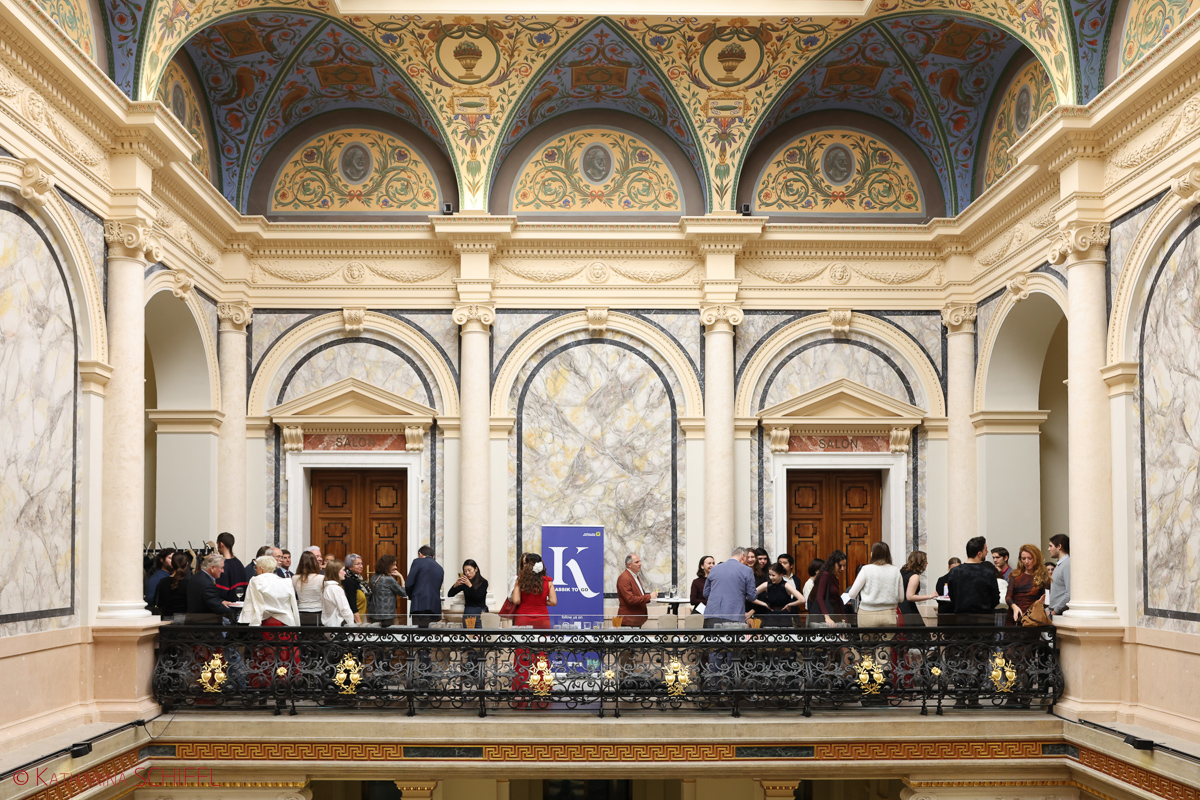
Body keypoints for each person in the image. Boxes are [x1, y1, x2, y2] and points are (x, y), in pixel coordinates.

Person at [846, 542, 904, 628]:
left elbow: (852, 594)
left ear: (872, 554)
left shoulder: (866, 569)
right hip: (889, 614)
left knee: (867, 637)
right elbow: (901, 598)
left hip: (867, 614)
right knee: (887, 637)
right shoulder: (896, 570)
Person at [945, 536, 1001, 624]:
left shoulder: (954, 572)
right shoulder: (988, 573)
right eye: (985, 549)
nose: (987, 552)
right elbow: (995, 598)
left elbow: (952, 595)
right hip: (984, 620)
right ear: (979, 554)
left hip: (961, 619)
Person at [702, 546, 758, 627]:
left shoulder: (715, 569)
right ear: (743, 556)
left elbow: (706, 593)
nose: (746, 563)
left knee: (713, 635)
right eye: (746, 560)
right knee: (731, 635)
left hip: (711, 614)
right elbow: (752, 596)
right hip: (734, 614)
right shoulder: (747, 570)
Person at [238, 555, 299, 627]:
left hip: (265, 622)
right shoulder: (286, 582)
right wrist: (297, 624)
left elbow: (253, 603)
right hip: (286, 622)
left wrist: (248, 621)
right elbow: (293, 604)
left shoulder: (256, 581)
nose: (256, 570)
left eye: (256, 568)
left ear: (261, 568)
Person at [1006, 544, 1050, 625]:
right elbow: (1008, 597)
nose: (1026, 562)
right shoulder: (1015, 574)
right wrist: (1014, 607)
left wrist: (1040, 603)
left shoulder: (1044, 577)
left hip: (1032, 618)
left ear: (1036, 558)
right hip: (1014, 616)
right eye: (1023, 559)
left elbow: (1047, 601)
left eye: (1030, 558)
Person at [511, 553, 556, 628]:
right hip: (542, 618)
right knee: (542, 636)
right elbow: (553, 602)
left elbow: (516, 601)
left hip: (523, 618)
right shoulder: (548, 582)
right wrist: (540, 601)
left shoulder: (520, 581)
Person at [753, 562, 805, 627]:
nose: (771, 577)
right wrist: (763, 604)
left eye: (773, 575)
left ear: (781, 575)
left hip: (784, 618)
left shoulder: (786, 585)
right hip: (770, 617)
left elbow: (802, 600)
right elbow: (749, 596)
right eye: (769, 575)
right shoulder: (767, 584)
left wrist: (789, 604)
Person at [186, 553, 233, 621]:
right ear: (213, 568)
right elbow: (216, 606)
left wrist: (221, 602)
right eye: (221, 568)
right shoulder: (207, 584)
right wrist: (234, 613)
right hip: (204, 623)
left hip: (194, 620)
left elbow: (210, 599)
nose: (222, 571)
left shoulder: (196, 577)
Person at [406, 545, 444, 628]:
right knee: (429, 633)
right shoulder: (440, 568)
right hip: (435, 607)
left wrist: (412, 596)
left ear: (420, 554)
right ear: (433, 556)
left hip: (420, 605)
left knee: (420, 633)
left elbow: (409, 584)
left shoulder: (418, 561)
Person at [616, 553, 657, 627]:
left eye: (640, 561)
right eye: (636, 562)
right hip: (628, 623)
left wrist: (650, 598)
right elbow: (630, 599)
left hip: (634, 621)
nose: (640, 564)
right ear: (629, 565)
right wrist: (649, 597)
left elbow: (639, 596)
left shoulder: (635, 576)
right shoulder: (624, 578)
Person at [808, 550, 848, 626]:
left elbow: (837, 599)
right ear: (834, 563)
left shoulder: (835, 578)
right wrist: (827, 617)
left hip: (833, 613)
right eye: (840, 565)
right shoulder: (825, 575)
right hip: (824, 615)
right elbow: (820, 597)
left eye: (844, 565)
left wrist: (844, 617)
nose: (842, 568)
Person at [366, 554, 407, 627]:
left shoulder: (374, 577)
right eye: (393, 565)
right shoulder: (389, 579)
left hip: (373, 614)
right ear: (387, 566)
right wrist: (401, 577)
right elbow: (404, 593)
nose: (396, 567)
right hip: (387, 616)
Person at [899, 550, 937, 627]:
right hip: (907, 609)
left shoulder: (902, 571)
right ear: (920, 563)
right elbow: (910, 597)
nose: (927, 563)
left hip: (900, 607)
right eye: (925, 561)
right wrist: (930, 596)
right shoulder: (914, 576)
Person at [448, 559, 488, 627]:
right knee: (467, 632)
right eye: (465, 571)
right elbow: (450, 594)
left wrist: (470, 585)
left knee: (480, 632)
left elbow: (478, 598)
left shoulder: (483, 582)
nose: (467, 573)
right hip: (468, 612)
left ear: (476, 569)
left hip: (480, 612)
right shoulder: (465, 582)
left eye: (469, 570)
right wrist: (456, 585)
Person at [152, 551, 192, 618]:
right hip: (183, 619)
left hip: (166, 618)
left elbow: (158, 603)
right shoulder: (189, 583)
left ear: (172, 564)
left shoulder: (163, 582)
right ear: (187, 565)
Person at [292, 551, 324, 625]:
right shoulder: (321, 578)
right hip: (318, 610)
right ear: (314, 563)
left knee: (303, 632)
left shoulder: (294, 578)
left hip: (301, 610)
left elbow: (293, 596)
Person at [214, 532, 248, 602]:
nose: (217, 548)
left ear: (221, 544)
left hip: (227, 605)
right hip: (240, 603)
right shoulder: (239, 563)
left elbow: (221, 591)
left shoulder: (223, 565)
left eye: (217, 544)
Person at [321, 558, 355, 627]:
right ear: (336, 572)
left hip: (329, 625)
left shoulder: (327, 587)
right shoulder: (336, 589)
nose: (345, 573)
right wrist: (352, 625)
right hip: (337, 625)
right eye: (343, 570)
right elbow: (345, 610)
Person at [1047, 534, 1070, 617]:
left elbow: (1069, 594)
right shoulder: (1060, 564)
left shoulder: (1067, 564)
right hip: (1054, 612)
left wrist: (1055, 611)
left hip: (1060, 614)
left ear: (1059, 546)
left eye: (1050, 546)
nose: (1048, 549)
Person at [343, 553, 368, 622]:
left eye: (361, 564)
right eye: (358, 564)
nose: (361, 566)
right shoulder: (349, 581)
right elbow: (352, 605)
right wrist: (359, 624)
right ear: (350, 567)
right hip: (354, 621)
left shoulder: (358, 579)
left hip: (361, 617)